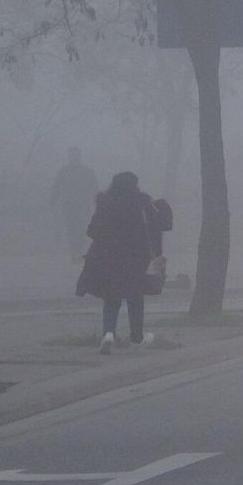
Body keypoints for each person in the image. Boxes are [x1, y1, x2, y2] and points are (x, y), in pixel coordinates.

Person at [77, 172, 165, 354]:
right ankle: (136, 338)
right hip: (135, 258)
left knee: (111, 297)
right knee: (135, 298)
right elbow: (154, 228)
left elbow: (92, 231)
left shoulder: (105, 203)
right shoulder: (141, 203)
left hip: (107, 258)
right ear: (134, 186)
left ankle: (108, 334)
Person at [51, 147, 99, 262]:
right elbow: (57, 186)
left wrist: (96, 201)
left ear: (79, 157)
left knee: (81, 228)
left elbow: (94, 187)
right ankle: (74, 251)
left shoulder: (87, 172)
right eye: (71, 155)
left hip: (83, 205)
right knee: (71, 228)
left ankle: (80, 250)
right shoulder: (64, 171)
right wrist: (53, 200)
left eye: (75, 155)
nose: (73, 158)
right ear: (69, 157)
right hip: (69, 205)